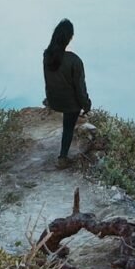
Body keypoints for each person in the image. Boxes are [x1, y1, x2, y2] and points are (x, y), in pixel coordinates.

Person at [42, 18, 91, 167]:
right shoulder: (75, 61)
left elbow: (47, 81)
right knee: (68, 126)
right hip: (69, 105)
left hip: (54, 100)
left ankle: (63, 155)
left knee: (69, 111)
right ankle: (62, 157)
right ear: (69, 38)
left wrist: (49, 100)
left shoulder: (47, 56)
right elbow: (80, 89)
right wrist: (87, 105)